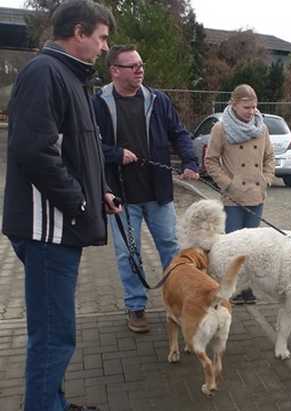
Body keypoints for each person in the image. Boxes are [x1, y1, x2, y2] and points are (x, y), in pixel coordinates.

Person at [2, 2, 120, 410]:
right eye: (102, 38)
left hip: (60, 226)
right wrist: (79, 201)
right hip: (47, 230)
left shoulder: (70, 77)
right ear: (79, 32)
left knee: (55, 332)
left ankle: (51, 401)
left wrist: (99, 189)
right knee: (53, 335)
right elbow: (34, 151)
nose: (105, 48)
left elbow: (77, 150)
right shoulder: (45, 73)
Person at [94, 45, 199, 334]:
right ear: (115, 70)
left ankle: (177, 302)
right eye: (132, 66)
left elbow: (178, 132)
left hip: (159, 193)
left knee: (171, 248)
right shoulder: (99, 103)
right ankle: (136, 307)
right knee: (128, 254)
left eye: (141, 64)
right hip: (121, 197)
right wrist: (115, 154)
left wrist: (190, 160)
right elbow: (88, 146)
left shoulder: (158, 100)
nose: (140, 70)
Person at [204, 84, 275, 304]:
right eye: (247, 107)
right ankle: (228, 285)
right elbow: (211, 160)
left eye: (254, 107)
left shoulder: (261, 127)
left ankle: (246, 288)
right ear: (233, 104)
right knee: (233, 245)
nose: (252, 111)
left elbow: (269, 158)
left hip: (256, 194)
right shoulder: (221, 129)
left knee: (252, 246)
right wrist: (228, 184)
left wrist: (266, 180)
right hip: (234, 198)